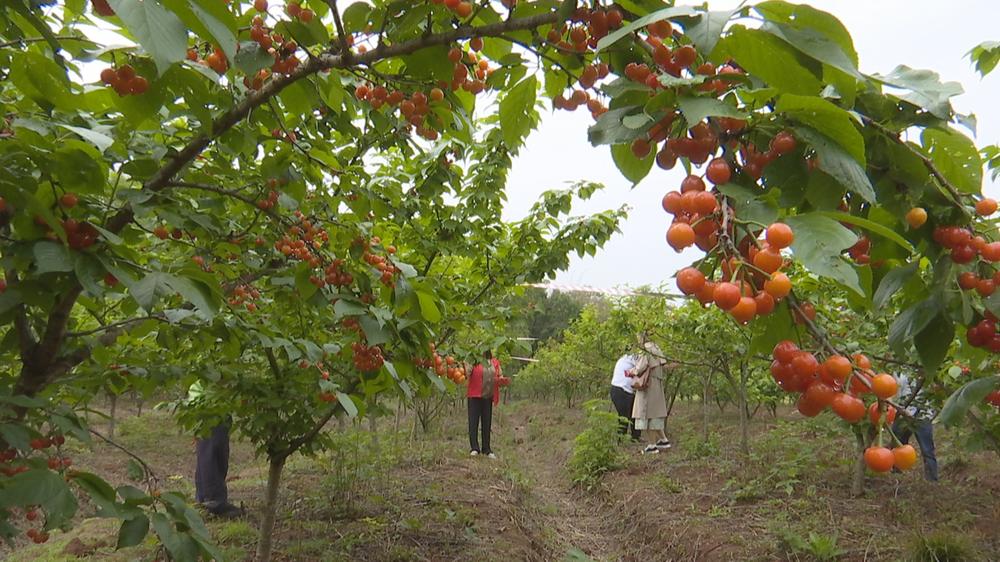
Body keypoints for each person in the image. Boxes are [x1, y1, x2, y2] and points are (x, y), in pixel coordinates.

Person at [188, 381, 243, 517]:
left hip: (218, 412)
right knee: (210, 456)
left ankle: (205, 500)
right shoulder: (209, 377)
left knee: (215, 456)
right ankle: (214, 502)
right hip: (210, 412)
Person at [891, 372, 939, 481]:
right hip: (903, 414)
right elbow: (895, 393)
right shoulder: (899, 372)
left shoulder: (929, 371)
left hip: (922, 416)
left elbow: (935, 392)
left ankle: (932, 478)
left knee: (927, 449)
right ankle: (896, 474)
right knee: (897, 444)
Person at [630, 333, 672, 454]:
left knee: (647, 413)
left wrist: (631, 371)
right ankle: (663, 440)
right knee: (655, 412)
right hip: (656, 383)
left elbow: (640, 368)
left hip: (648, 385)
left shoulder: (645, 349)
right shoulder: (656, 347)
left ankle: (652, 445)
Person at [467, 350, 509, 459]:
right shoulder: (474, 360)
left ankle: (486, 449)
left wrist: (502, 380)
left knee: (487, 422)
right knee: (473, 422)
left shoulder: (494, 362)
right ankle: (474, 448)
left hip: (488, 395)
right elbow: (466, 373)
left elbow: (499, 375)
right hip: (474, 395)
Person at [610, 353, 641, 441]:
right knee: (624, 416)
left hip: (623, 390)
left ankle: (635, 437)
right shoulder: (632, 358)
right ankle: (621, 438)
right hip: (621, 390)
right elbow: (641, 368)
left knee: (634, 414)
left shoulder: (625, 358)